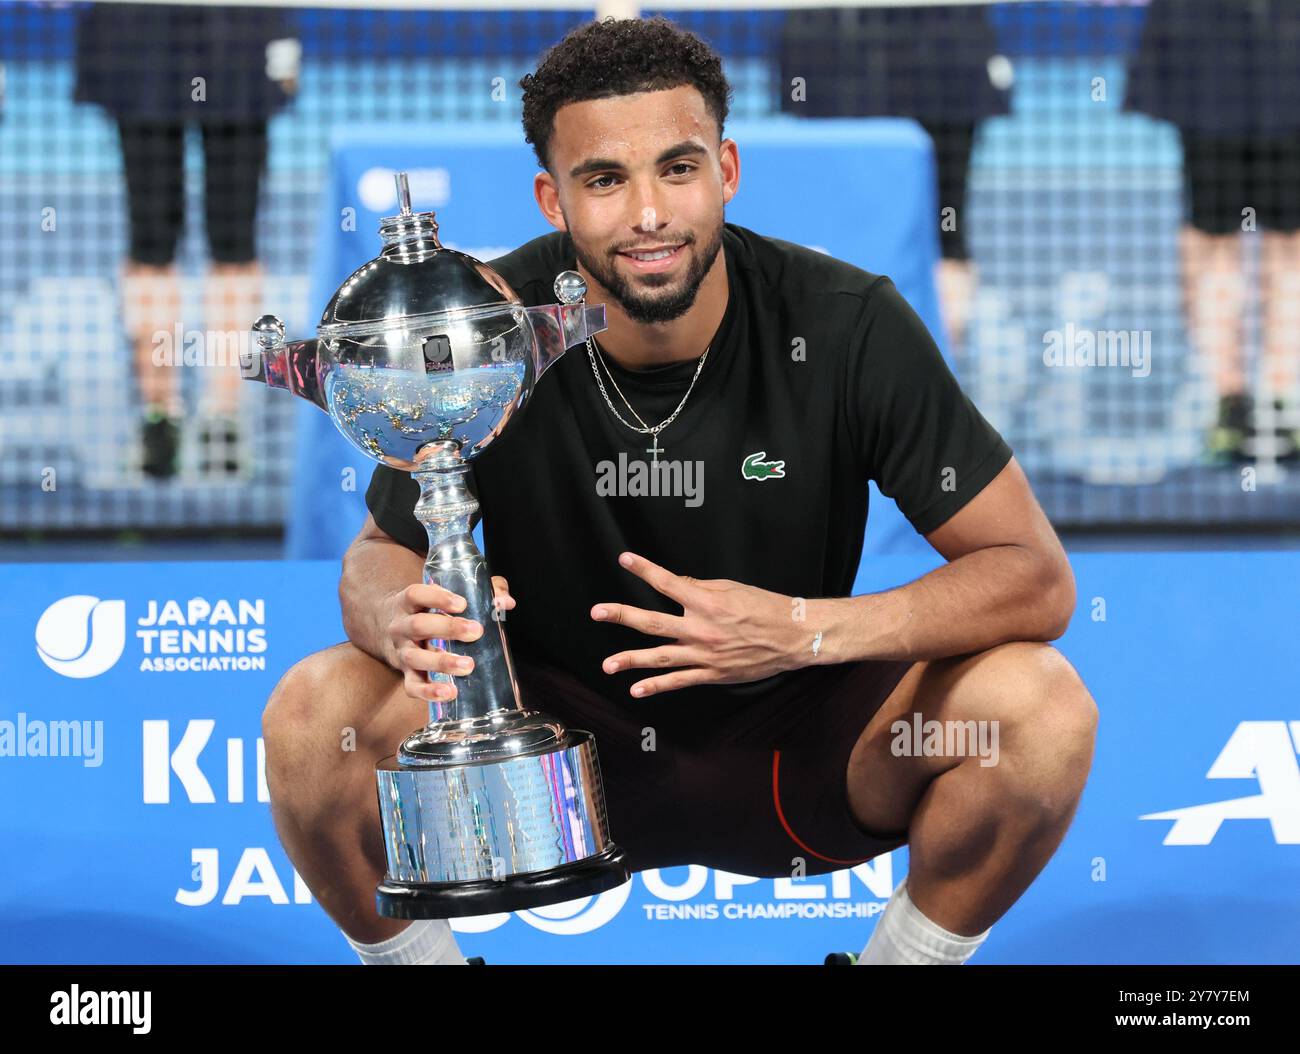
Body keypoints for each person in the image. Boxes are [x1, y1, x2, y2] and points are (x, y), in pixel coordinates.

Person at [262, 16, 1096, 966]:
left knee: (1040, 710)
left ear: (728, 171)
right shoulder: (489, 329)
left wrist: (802, 630)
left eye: (679, 168)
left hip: (807, 748)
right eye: (606, 181)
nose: (649, 213)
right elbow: (382, 555)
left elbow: (1034, 579)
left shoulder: (846, 321)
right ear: (553, 197)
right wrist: (393, 616)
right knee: (309, 719)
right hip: (548, 768)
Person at [73, 2, 298, 479]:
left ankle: (220, 414)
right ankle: (164, 414)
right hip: (144, 36)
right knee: (156, 242)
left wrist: (280, 41)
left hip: (234, 33)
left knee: (227, 242)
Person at [775, 4, 1012, 355]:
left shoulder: (956, 46)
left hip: (948, 55)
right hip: (839, 46)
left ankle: (942, 365)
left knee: (948, 235)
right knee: (837, 219)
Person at [1125, 0, 1300, 463]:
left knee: (1251, 239)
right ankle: (1251, 402)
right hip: (1223, 51)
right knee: (1260, 240)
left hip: (1241, 53)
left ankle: (1255, 403)